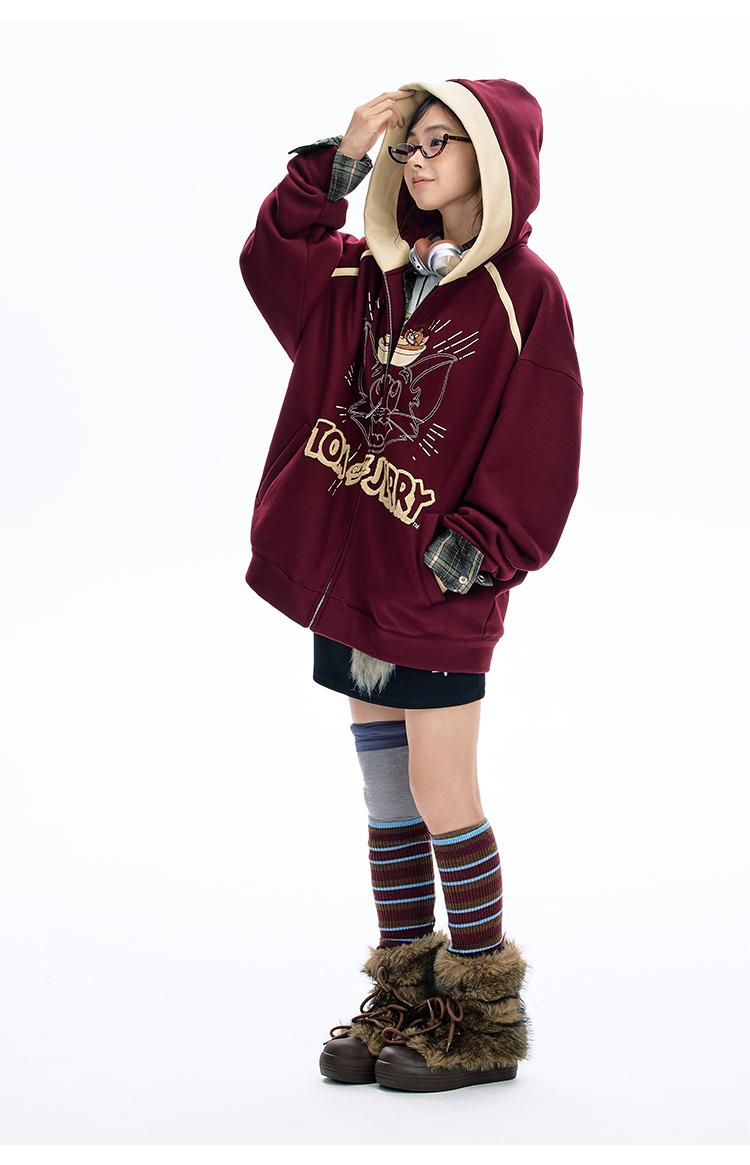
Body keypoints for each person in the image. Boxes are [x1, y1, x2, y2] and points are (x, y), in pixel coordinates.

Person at [239, 79, 582, 1092]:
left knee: (443, 793)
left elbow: (546, 437)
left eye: (442, 142)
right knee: (388, 795)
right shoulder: (368, 272)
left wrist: (477, 547)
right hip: (354, 577)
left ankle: (481, 1016)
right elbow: (273, 259)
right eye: (410, 146)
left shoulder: (528, 294)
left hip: (438, 589)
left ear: (494, 160)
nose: (419, 160)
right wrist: (340, 164)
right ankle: (405, 992)